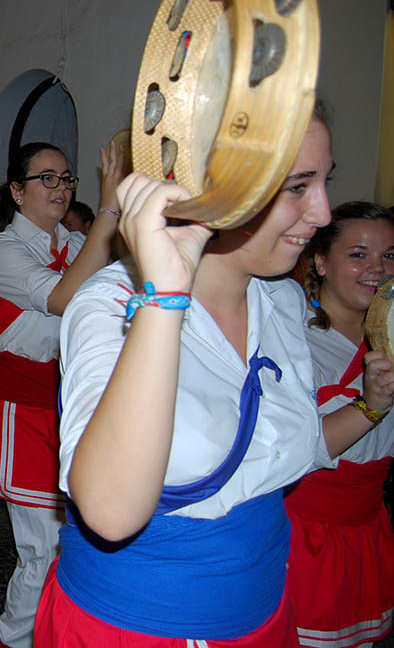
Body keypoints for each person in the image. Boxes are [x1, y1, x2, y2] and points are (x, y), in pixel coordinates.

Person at [37, 107, 392, 647]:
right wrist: (165, 298)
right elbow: (110, 512)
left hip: (265, 615)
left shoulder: (283, 298)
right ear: (213, 189)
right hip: (139, 628)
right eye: (297, 186)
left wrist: (370, 406)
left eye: (325, 180)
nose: (321, 212)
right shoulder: (110, 303)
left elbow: (273, 452)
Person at [0, 141, 122, 648]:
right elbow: (64, 299)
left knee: (72, 542)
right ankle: (13, 639)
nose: (60, 188)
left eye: (67, 178)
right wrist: (107, 213)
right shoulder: (2, 250)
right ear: (17, 192)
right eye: (47, 179)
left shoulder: (78, 245)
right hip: (25, 409)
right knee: (40, 548)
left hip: (72, 406)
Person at [288, 200, 394, 647]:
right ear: (320, 261)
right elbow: (293, 453)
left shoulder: (389, 335)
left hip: (368, 528)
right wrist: (371, 405)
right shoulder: (294, 338)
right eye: (358, 254)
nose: (378, 268)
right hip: (304, 537)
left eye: (390, 255)